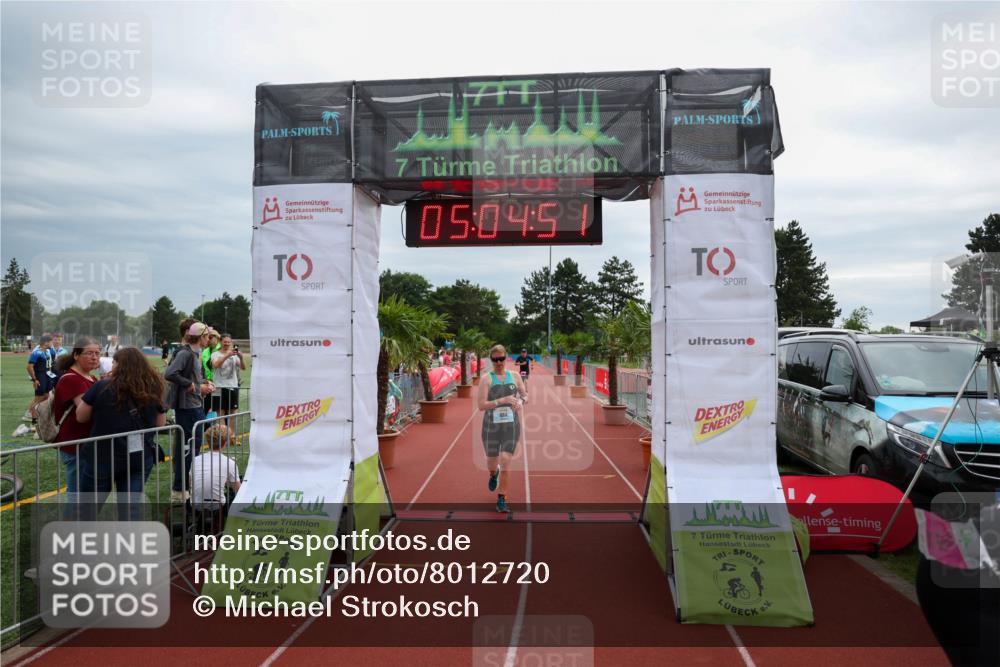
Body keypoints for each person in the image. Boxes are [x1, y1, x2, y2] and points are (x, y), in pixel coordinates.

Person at [75, 347, 167, 519]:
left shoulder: (102, 385)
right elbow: (160, 423)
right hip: (138, 456)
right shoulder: (154, 387)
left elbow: (81, 416)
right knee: (130, 510)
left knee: (88, 510)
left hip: (102, 456)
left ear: (119, 365)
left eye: (114, 362)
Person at [164, 322, 215, 502]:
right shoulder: (186, 353)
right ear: (200, 337)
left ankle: (183, 488)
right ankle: (180, 489)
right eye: (207, 336)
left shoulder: (194, 353)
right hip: (188, 408)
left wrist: (204, 385)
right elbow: (170, 373)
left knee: (189, 448)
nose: (209, 339)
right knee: (189, 449)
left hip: (193, 406)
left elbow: (192, 377)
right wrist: (191, 385)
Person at [477, 344, 528, 513]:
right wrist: (502, 400)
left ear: (507, 358)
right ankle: (493, 474)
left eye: (501, 359)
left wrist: (520, 402)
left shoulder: (515, 376)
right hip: (491, 426)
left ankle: (502, 498)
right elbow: (481, 405)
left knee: (506, 460)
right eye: (495, 359)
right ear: (491, 360)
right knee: (492, 463)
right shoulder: (487, 379)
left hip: (511, 425)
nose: (499, 362)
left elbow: (524, 395)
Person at [52, 336, 101, 494]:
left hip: (87, 443)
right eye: (89, 353)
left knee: (86, 491)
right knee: (78, 493)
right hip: (75, 445)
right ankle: (74, 519)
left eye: (97, 353)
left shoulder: (91, 378)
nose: (94, 357)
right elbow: (85, 413)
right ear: (76, 355)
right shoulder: (72, 379)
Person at [190, 423, 241, 533]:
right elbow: (238, 490)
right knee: (235, 497)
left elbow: (191, 483)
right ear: (225, 443)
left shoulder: (196, 459)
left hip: (195, 504)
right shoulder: (229, 463)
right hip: (217, 506)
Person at [211, 334, 245, 430]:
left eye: (229, 342)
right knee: (219, 413)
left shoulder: (234, 355)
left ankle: (232, 435)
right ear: (220, 342)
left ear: (231, 343)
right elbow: (215, 365)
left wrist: (241, 357)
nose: (227, 344)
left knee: (232, 413)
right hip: (218, 387)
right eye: (225, 342)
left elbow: (243, 367)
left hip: (232, 386)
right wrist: (227, 355)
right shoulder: (215, 354)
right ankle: (222, 436)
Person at [26, 334, 56, 424]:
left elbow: (53, 363)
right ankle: (33, 417)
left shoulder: (50, 351)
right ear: (46, 342)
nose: (52, 343)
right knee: (39, 397)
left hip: (48, 375)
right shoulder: (36, 352)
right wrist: (34, 379)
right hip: (40, 375)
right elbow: (29, 367)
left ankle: (39, 416)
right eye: (51, 341)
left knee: (47, 396)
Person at [201, 328, 222, 414]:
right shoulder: (205, 351)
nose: (209, 339)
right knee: (205, 407)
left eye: (211, 337)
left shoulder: (221, 349)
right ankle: (206, 427)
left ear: (217, 338)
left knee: (217, 408)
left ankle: (220, 427)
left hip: (219, 384)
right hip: (208, 383)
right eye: (208, 337)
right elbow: (203, 368)